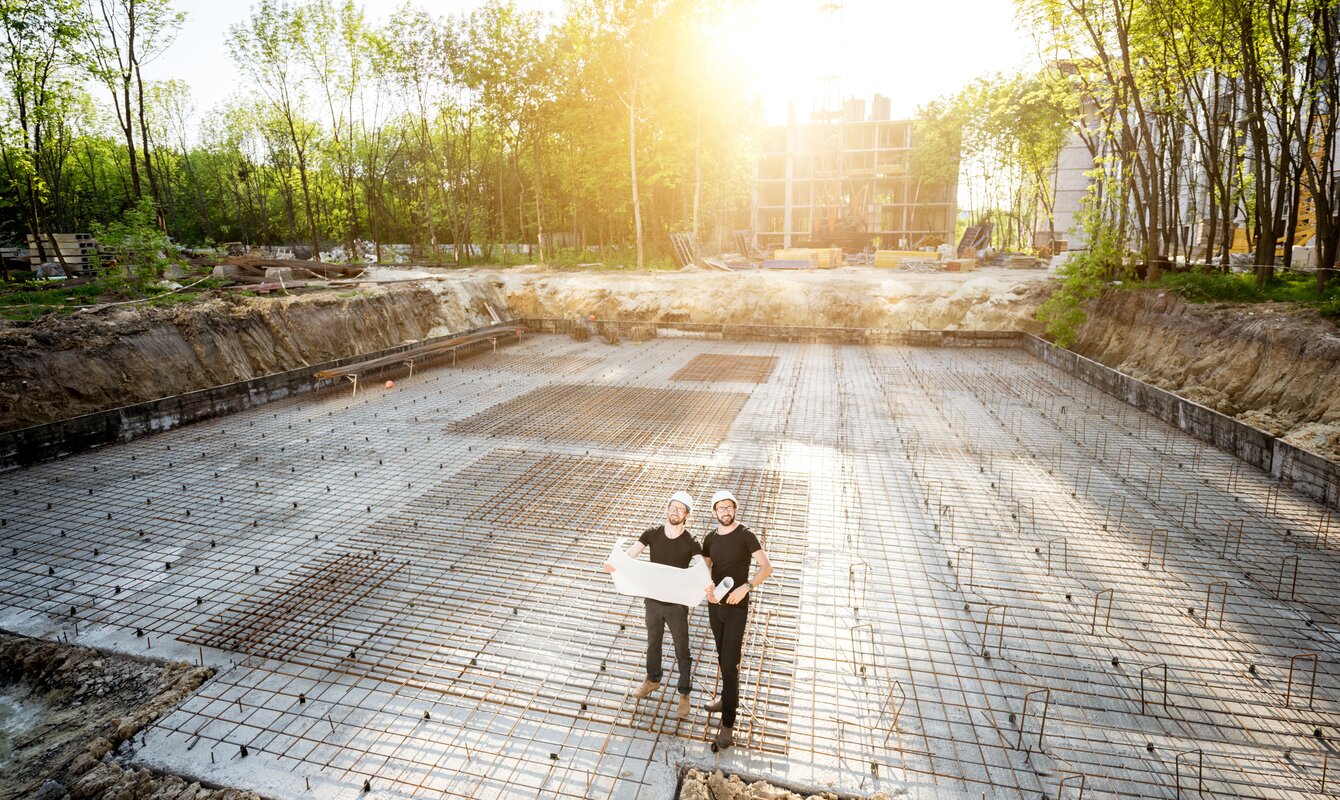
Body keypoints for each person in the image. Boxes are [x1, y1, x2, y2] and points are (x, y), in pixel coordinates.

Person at [602, 491, 701, 718]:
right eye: (672, 507)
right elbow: (630, 555)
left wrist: (705, 581)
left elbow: (702, 566)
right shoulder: (652, 533)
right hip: (653, 601)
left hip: (676, 605)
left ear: (687, 515)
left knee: (682, 650)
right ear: (667, 508)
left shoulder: (691, 542)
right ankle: (652, 679)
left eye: (681, 510)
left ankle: (684, 694)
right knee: (653, 644)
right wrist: (614, 564)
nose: (675, 512)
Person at [701, 489, 773, 751]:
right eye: (720, 508)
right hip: (715, 606)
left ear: (735, 509)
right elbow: (704, 568)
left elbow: (766, 567)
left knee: (730, 664)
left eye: (729, 507)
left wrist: (747, 587)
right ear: (714, 512)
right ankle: (724, 697)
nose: (726, 512)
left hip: (737, 608)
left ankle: (727, 724)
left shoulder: (745, 534)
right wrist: (707, 587)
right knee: (723, 658)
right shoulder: (709, 538)